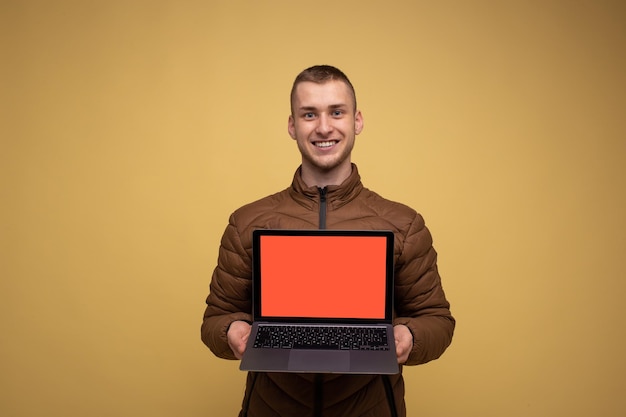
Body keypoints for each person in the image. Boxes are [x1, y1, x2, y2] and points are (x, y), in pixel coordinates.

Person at [201, 65, 455, 417]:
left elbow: (437, 320)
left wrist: (410, 337)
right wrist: (232, 330)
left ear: (357, 121)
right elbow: (216, 317)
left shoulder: (403, 223)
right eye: (309, 114)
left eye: (337, 112)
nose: (323, 127)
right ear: (292, 125)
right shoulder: (247, 221)